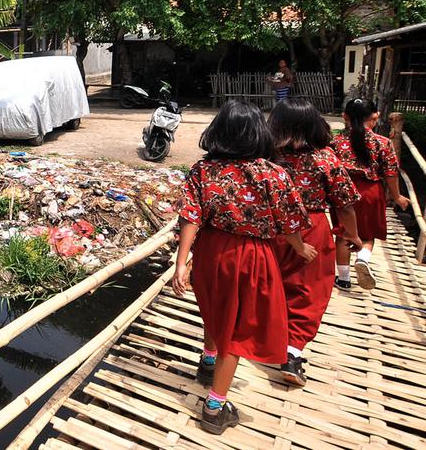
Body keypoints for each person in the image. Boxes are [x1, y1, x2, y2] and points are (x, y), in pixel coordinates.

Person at [173, 100, 316, 435]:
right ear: (258, 133)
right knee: (237, 331)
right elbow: (289, 223)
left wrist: (182, 263)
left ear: (219, 130)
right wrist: (300, 248)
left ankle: (208, 362)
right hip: (252, 257)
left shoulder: (202, 170)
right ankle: (214, 407)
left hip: (210, 253)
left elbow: (189, 217)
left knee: (215, 310)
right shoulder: (274, 174)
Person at [267, 99, 361, 386]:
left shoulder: (266, 157)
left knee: (270, 283)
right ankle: (291, 353)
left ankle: (257, 337)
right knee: (310, 290)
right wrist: (353, 235)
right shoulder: (326, 159)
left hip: (269, 227)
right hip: (312, 227)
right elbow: (344, 205)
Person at [331, 98, 409, 290]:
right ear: (374, 117)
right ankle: (363, 259)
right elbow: (391, 173)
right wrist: (397, 196)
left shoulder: (336, 142)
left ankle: (343, 279)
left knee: (343, 234)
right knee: (367, 234)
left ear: (345, 117)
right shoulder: (383, 142)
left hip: (343, 192)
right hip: (371, 192)